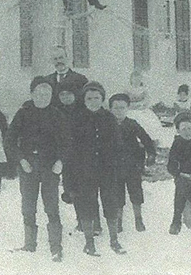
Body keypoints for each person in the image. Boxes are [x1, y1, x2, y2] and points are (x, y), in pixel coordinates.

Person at [5, 77, 66, 262]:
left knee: (52, 206)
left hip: (49, 167)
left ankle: (56, 247)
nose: (43, 96)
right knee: (28, 206)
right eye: (39, 93)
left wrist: (61, 161)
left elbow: (67, 142)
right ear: (32, 94)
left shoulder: (57, 114)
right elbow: (9, 141)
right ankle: (29, 244)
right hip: (28, 166)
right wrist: (21, 159)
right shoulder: (23, 113)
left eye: (47, 93)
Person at [69, 82, 126, 256]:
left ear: (102, 99)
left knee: (110, 202)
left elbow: (117, 145)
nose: (93, 101)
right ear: (84, 100)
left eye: (97, 98)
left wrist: (115, 166)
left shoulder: (109, 118)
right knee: (87, 203)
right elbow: (72, 148)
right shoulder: (77, 118)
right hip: (85, 170)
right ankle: (89, 243)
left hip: (107, 170)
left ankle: (114, 240)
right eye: (89, 98)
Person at [109, 93, 156, 233]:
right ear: (110, 109)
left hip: (132, 165)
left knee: (135, 192)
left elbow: (146, 139)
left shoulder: (132, 124)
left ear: (127, 108)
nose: (119, 111)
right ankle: (118, 221)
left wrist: (151, 153)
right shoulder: (107, 124)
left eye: (122, 108)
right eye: (116, 108)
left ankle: (138, 218)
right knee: (117, 194)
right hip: (114, 166)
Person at [59, 78, 100, 235]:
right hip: (67, 157)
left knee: (89, 191)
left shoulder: (83, 110)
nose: (65, 97)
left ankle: (95, 223)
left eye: (68, 94)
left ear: (75, 94)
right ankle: (81, 220)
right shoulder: (58, 111)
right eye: (62, 94)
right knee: (72, 189)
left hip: (84, 157)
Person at [45, 45, 88, 109]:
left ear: (67, 58)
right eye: (55, 59)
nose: (58, 61)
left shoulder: (80, 79)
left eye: (61, 57)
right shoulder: (47, 80)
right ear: (52, 61)